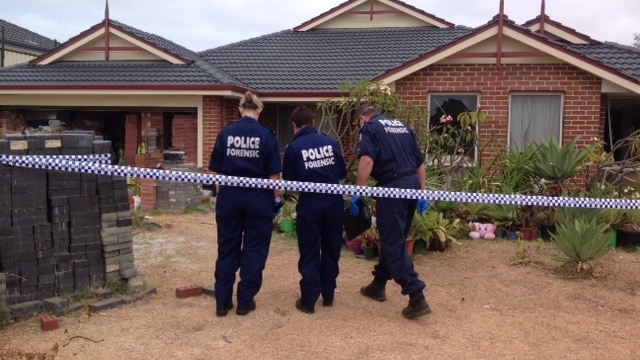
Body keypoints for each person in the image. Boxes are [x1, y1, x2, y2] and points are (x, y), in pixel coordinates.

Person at [350, 104, 431, 319]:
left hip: (393, 188)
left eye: (359, 123)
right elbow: (420, 163)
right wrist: (422, 192)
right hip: (411, 184)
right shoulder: (402, 127)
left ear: (363, 118)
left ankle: (416, 295)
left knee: (392, 242)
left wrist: (358, 192)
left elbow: (367, 159)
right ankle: (378, 285)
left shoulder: (370, 128)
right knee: (395, 238)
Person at [208, 91, 282, 317]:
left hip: (229, 197)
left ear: (240, 109)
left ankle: (222, 302)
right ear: (259, 110)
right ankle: (244, 301)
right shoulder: (268, 136)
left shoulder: (225, 134)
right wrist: (277, 201)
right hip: (258, 200)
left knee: (227, 247)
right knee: (255, 249)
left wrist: (222, 198)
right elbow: (274, 177)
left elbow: (218, 175)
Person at [282, 105, 347, 314]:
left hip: (310, 204)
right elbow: (342, 173)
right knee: (331, 248)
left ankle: (308, 301)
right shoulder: (331, 142)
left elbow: (290, 183)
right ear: (312, 123)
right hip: (334, 202)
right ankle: (328, 295)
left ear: (294, 126)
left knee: (309, 250)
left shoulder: (294, 148)